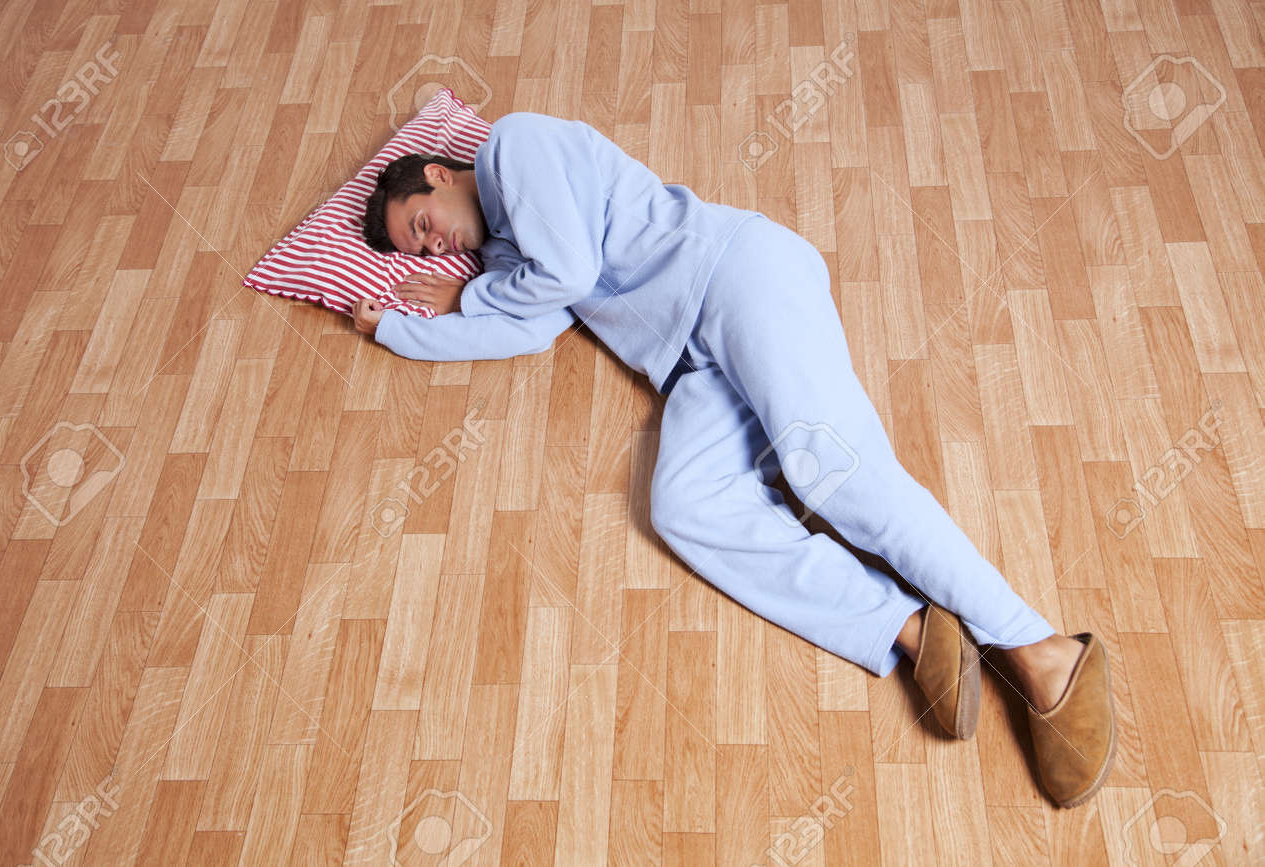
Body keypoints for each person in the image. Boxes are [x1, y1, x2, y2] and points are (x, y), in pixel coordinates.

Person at [352, 111, 1116, 808]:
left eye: (423, 223)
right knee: (685, 506)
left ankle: (1040, 650)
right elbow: (526, 328)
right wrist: (394, 327)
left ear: (443, 174)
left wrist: (469, 298)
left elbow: (571, 276)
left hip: (731, 276)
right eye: (419, 247)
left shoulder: (512, 148)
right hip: (689, 365)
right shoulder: (509, 257)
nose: (434, 246)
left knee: (833, 473)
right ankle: (912, 628)